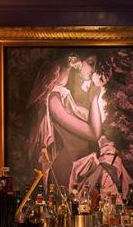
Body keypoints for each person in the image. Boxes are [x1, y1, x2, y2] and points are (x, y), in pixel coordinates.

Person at [28, 54, 103, 191]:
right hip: (69, 171)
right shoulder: (53, 99)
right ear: (73, 61)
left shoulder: (66, 96)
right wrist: (94, 100)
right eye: (91, 63)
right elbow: (94, 133)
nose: (93, 70)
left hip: (82, 167)